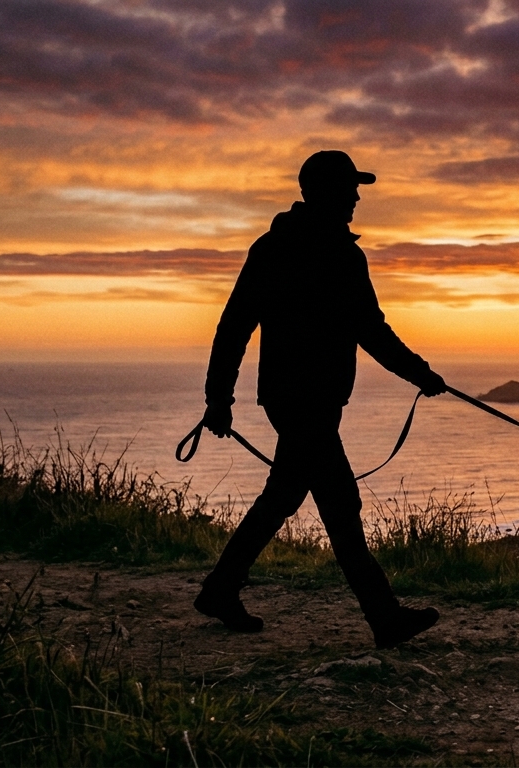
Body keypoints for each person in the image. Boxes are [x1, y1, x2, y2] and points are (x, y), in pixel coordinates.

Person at [194, 150, 447, 648]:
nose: (356, 197)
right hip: (305, 402)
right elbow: (370, 331)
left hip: (292, 398)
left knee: (283, 496)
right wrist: (420, 373)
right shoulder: (333, 254)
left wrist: (219, 398)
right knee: (341, 505)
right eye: (350, 188)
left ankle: (220, 590)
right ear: (325, 191)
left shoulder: (276, 247)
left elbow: (235, 327)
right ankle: (385, 617)